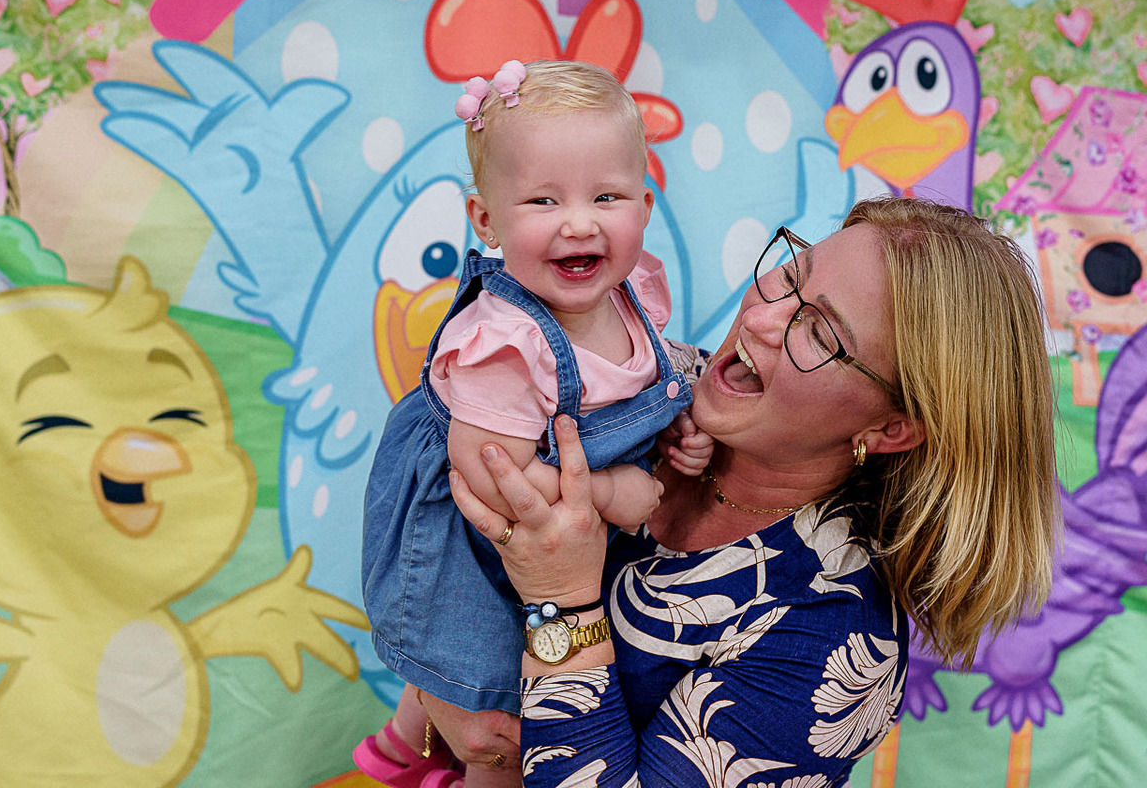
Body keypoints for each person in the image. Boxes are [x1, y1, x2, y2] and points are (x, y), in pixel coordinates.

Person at [449, 197, 1061, 786]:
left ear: (890, 429)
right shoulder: (646, 383)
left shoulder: (833, 640)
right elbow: (429, 474)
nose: (762, 319)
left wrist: (562, 602)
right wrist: (438, 702)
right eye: (791, 275)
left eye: (820, 333)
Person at [356, 60, 714, 788]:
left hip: (563, 530)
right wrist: (615, 491)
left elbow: (645, 379)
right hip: (479, 537)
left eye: (606, 196)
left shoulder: (630, 292)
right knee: (503, 713)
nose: (579, 221)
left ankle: (399, 748)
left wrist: (678, 421)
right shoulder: (504, 347)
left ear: (644, 206)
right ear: (486, 220)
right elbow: (492, 484)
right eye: (543, 200)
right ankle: (419, 755)